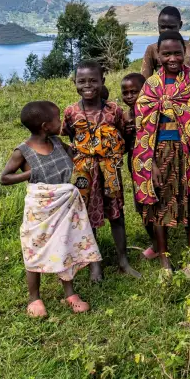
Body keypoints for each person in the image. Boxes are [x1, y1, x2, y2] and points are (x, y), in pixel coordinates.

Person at [0, 101, 102, 317]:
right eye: (58, 119)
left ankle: (70, 294)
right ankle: (34, 298)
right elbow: (4, 178)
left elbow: (75, 155)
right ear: (45, 126)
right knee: (34, 249)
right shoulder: (23, 151)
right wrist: (30, 173)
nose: (61, 122)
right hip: (40, 211)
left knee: (65, 246)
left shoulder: (57, 142)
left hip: (64, 206)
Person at [132, 31, 190, 278]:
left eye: (177, 53)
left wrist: (172, 108)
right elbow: (143, 126)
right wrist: (150, 163)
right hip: (158, 153)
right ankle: (165, 260)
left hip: (188, 152)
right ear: (158, 55)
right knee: (160, 203)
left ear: (185, 52)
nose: (172, 58)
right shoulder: (150, 85)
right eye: (167, 54)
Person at [62, 61, 140, 280]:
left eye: (93, 81)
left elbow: (124, 135)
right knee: (86, 216)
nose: (88, 86)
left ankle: (123, 261)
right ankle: (95, 263)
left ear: (102, 81)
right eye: (82, 81)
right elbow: (70, 137)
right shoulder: (71, 112)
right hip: (83, 173)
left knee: (117, 214)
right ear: (75, 83)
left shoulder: (114, 110)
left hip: (110, 170)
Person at [120, 72, 161, 260]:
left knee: (160, 203)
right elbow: (123, 147)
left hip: (156, 162)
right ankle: (155, 243)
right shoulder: (125, 116)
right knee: (142, 206)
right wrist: (126, 132)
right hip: (136, 166)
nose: (129, 96)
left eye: (134, 92)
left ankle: (163, 243)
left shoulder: (154, 112)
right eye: (125, 92)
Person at [140, 6, 190, 79]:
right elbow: (144, 80)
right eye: (162, 27)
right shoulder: (152, 49)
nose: (166, 31)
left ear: (180, 25)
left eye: (171, 27)